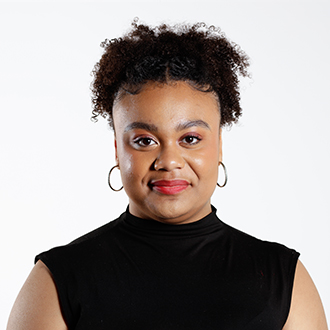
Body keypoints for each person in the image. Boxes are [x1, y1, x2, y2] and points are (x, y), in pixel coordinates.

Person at [7, 19, 328, 330]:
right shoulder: (57, 281)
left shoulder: (284, 280)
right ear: (117, 151)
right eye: (145, 140)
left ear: (219, 146)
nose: (169, 160)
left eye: (190, 139)